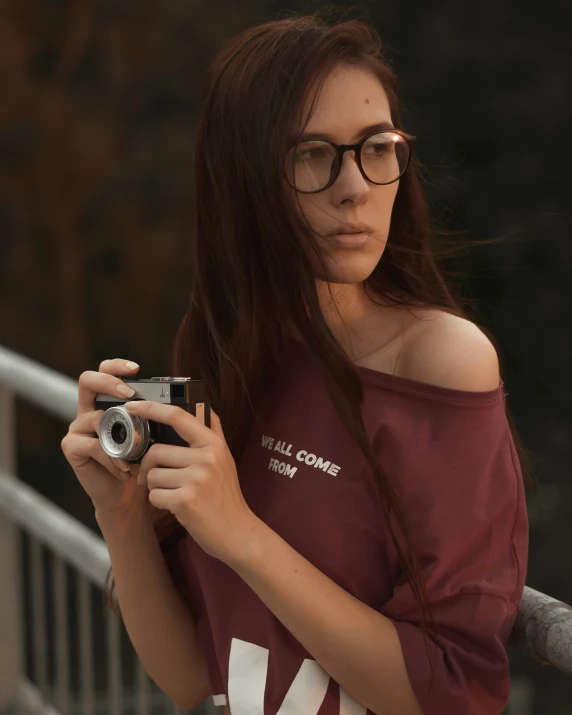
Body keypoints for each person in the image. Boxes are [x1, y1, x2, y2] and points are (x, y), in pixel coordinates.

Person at [61, 12, 530, 715]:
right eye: (313, 154)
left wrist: (241, 534)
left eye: (378, 147)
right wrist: (122, 515)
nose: (355, 187)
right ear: (242, 179)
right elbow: (195, 677)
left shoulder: (439, 361)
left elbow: (452, 689)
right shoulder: (234, 345)